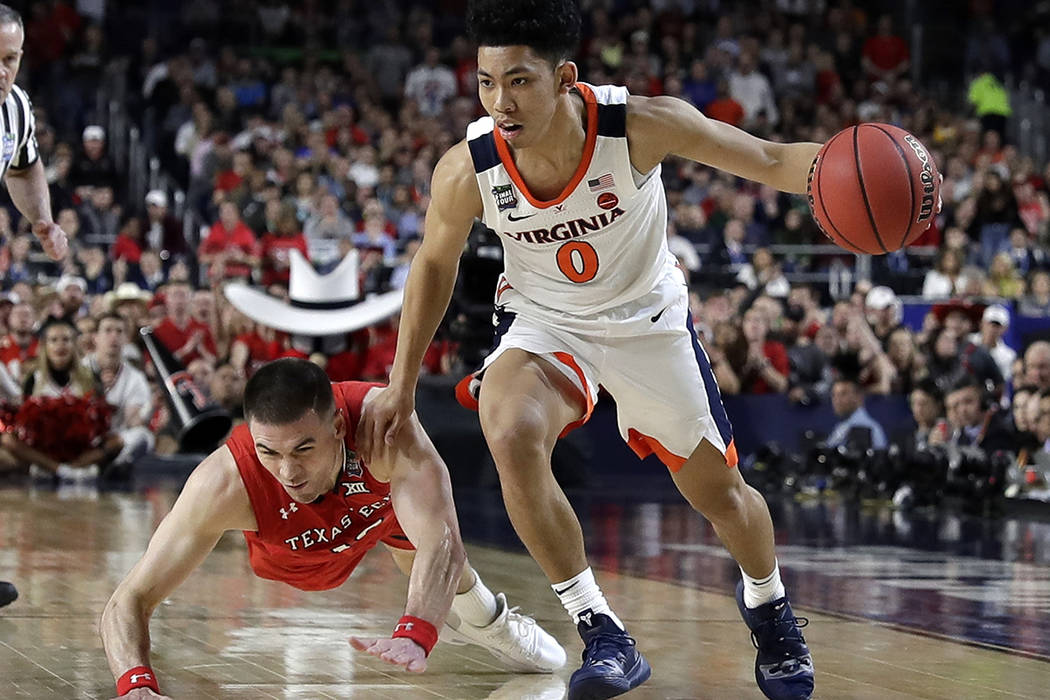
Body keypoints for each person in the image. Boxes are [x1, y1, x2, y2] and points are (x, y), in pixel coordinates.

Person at [358, 2, 817, 698]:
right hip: (549, 323)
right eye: (485, 83)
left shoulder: (639, 125)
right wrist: (399, 383)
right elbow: (431, 266)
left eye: (519, 82)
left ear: (565, 77)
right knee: (510, 430)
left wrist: (856, 161)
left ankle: (769, 604)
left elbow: (773, 159)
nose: (499, 101)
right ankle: (601, 631)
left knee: (721, 497)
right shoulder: (469, 168)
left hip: (647, 323)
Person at [100, 359, 564, 699]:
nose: (287, 472)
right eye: (270, 452)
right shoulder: (224, 482)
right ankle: (470, 616)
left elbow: (444, 539)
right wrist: (135, 687)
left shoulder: (382, 425)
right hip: (291, 555)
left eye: (303, 449)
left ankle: (491, 623)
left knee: (447, 568)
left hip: (381, 520)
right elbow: (128, 601)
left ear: (340, 426)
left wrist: (416, 631)